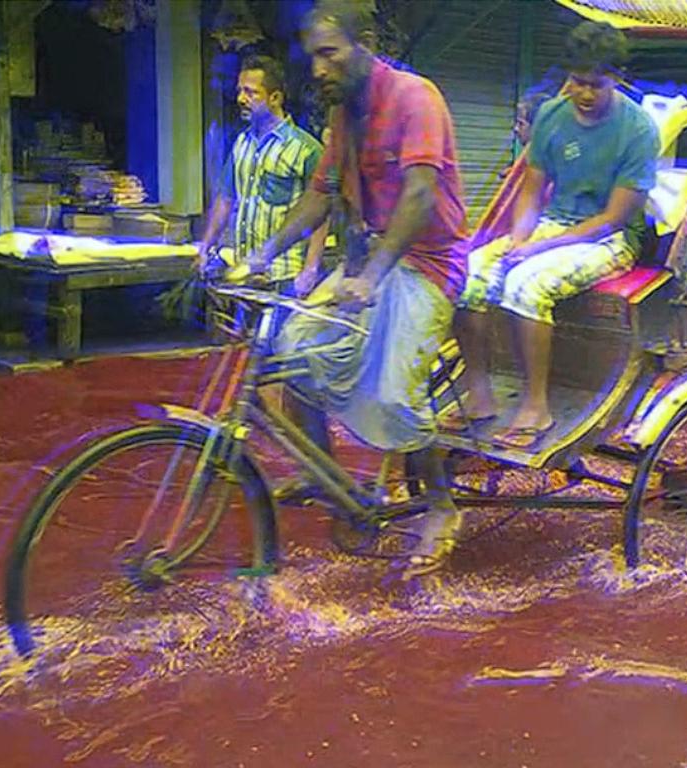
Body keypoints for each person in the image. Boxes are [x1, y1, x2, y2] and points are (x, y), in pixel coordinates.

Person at [249, 0, 469, 578]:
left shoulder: (415, 98)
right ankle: (327, 473)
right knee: (291, 351)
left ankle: (442, 507)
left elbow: (419, 197)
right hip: (368, 263)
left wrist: (371, 277)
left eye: (329, 53)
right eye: (312, 57)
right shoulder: (345, 115)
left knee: (397, 394)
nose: (317, 69)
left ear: (364, 41)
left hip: (426, 264)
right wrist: (260, 254)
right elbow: (321, 194)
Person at [449, 21, 660, 446]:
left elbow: (614, 219)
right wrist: (521, 239)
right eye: (578, 83)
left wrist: (539, 249)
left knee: (528, 285)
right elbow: (531, 191)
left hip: (609, 240)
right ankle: (480, 392)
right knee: (465, 273)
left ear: (616, 79)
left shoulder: (639, 131)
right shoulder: (551, 116)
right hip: (552, 225)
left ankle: (535, 406)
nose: (584, 94)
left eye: (595, 85)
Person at [196, 54, 329, 294]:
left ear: (275, 98)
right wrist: (205, 247)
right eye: (240, 91)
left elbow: (321, 214)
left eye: (251, 92)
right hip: (245, 272)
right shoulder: (241, 144)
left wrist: (310, 269)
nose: (241, 99)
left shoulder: (306, 150)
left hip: (284, 276)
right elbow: (225, 200)